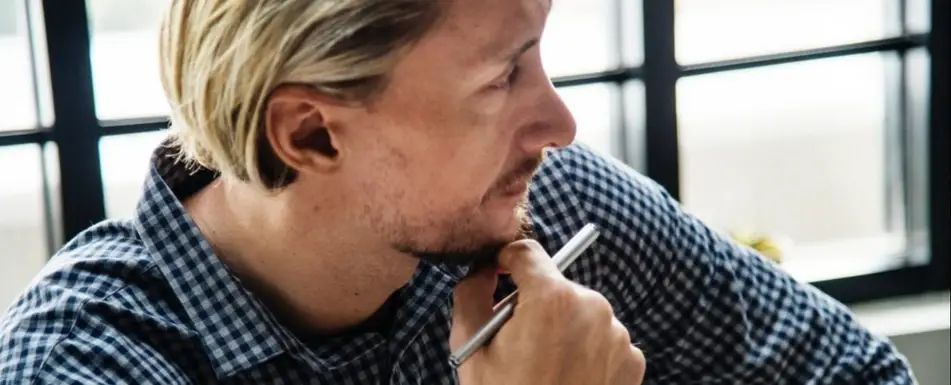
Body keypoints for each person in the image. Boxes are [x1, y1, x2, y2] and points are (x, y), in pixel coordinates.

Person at [0, 0, 915, 383]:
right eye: (503, 77)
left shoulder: (554, 213)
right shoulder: (84, 365)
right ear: (311, 132)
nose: (558, 123)